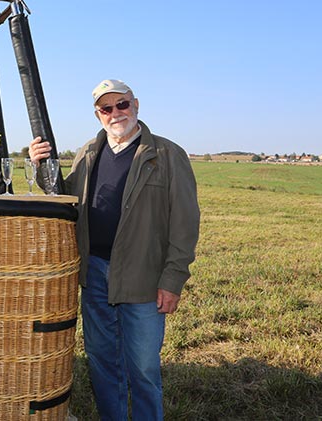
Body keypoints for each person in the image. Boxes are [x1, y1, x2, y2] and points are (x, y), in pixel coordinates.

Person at [29, 79, 199, 420]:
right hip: (95, 275)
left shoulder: (167, 155)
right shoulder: (88, 153)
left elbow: (185, 223)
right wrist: (37, 167)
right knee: (103, 364)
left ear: (136, 104)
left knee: (144, 370)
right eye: (107, 108)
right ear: (98, 115)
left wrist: (173, 279)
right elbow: (63, 200)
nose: (116, 113)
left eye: (121, 104)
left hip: (144, 279)